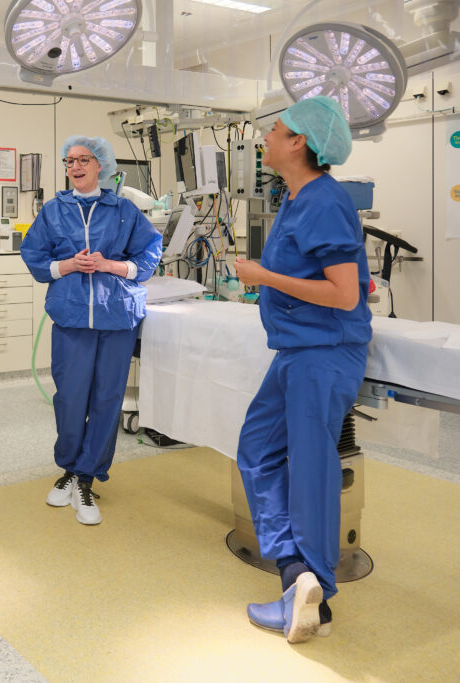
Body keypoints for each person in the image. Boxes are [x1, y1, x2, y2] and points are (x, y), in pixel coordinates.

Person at [234, 96, 371, 644]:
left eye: (274, 129)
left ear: (299, 143)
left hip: (325, 352)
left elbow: (344, 294)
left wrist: (263, 277)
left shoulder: (324, 200)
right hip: (296, 351)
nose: (264, 137)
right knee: (257, 448)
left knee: (311, 467)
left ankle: (316, 598)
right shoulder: (296, 198)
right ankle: (297, 573)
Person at [20, 135, 162, 525]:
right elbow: (33, 254)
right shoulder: (54, 211)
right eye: (69, 161)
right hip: (71, 317)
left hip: (115, 317)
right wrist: (67, 265)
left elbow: (150, 252)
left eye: (84, 159)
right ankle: (69, 468)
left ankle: (87, 477)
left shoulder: (123, 210)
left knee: (107, 400)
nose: (76, 166)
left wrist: (110, 265)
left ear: (101, 165)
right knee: (70, 398)